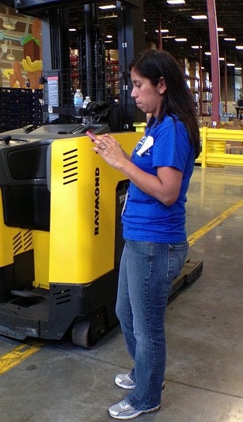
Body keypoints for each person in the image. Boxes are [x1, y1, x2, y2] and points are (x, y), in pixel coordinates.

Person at [90, 49, 201, 420]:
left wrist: (121, 161)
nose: (133, 94)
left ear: (162, 85)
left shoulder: (171, 129)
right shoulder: (156, 124)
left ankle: (146, 396)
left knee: (147, 324)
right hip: (139, 237)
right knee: (125, 311)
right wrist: (115, 155)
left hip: (156, 242)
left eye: (139, 86)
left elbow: (167, 191)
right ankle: (145, 372)